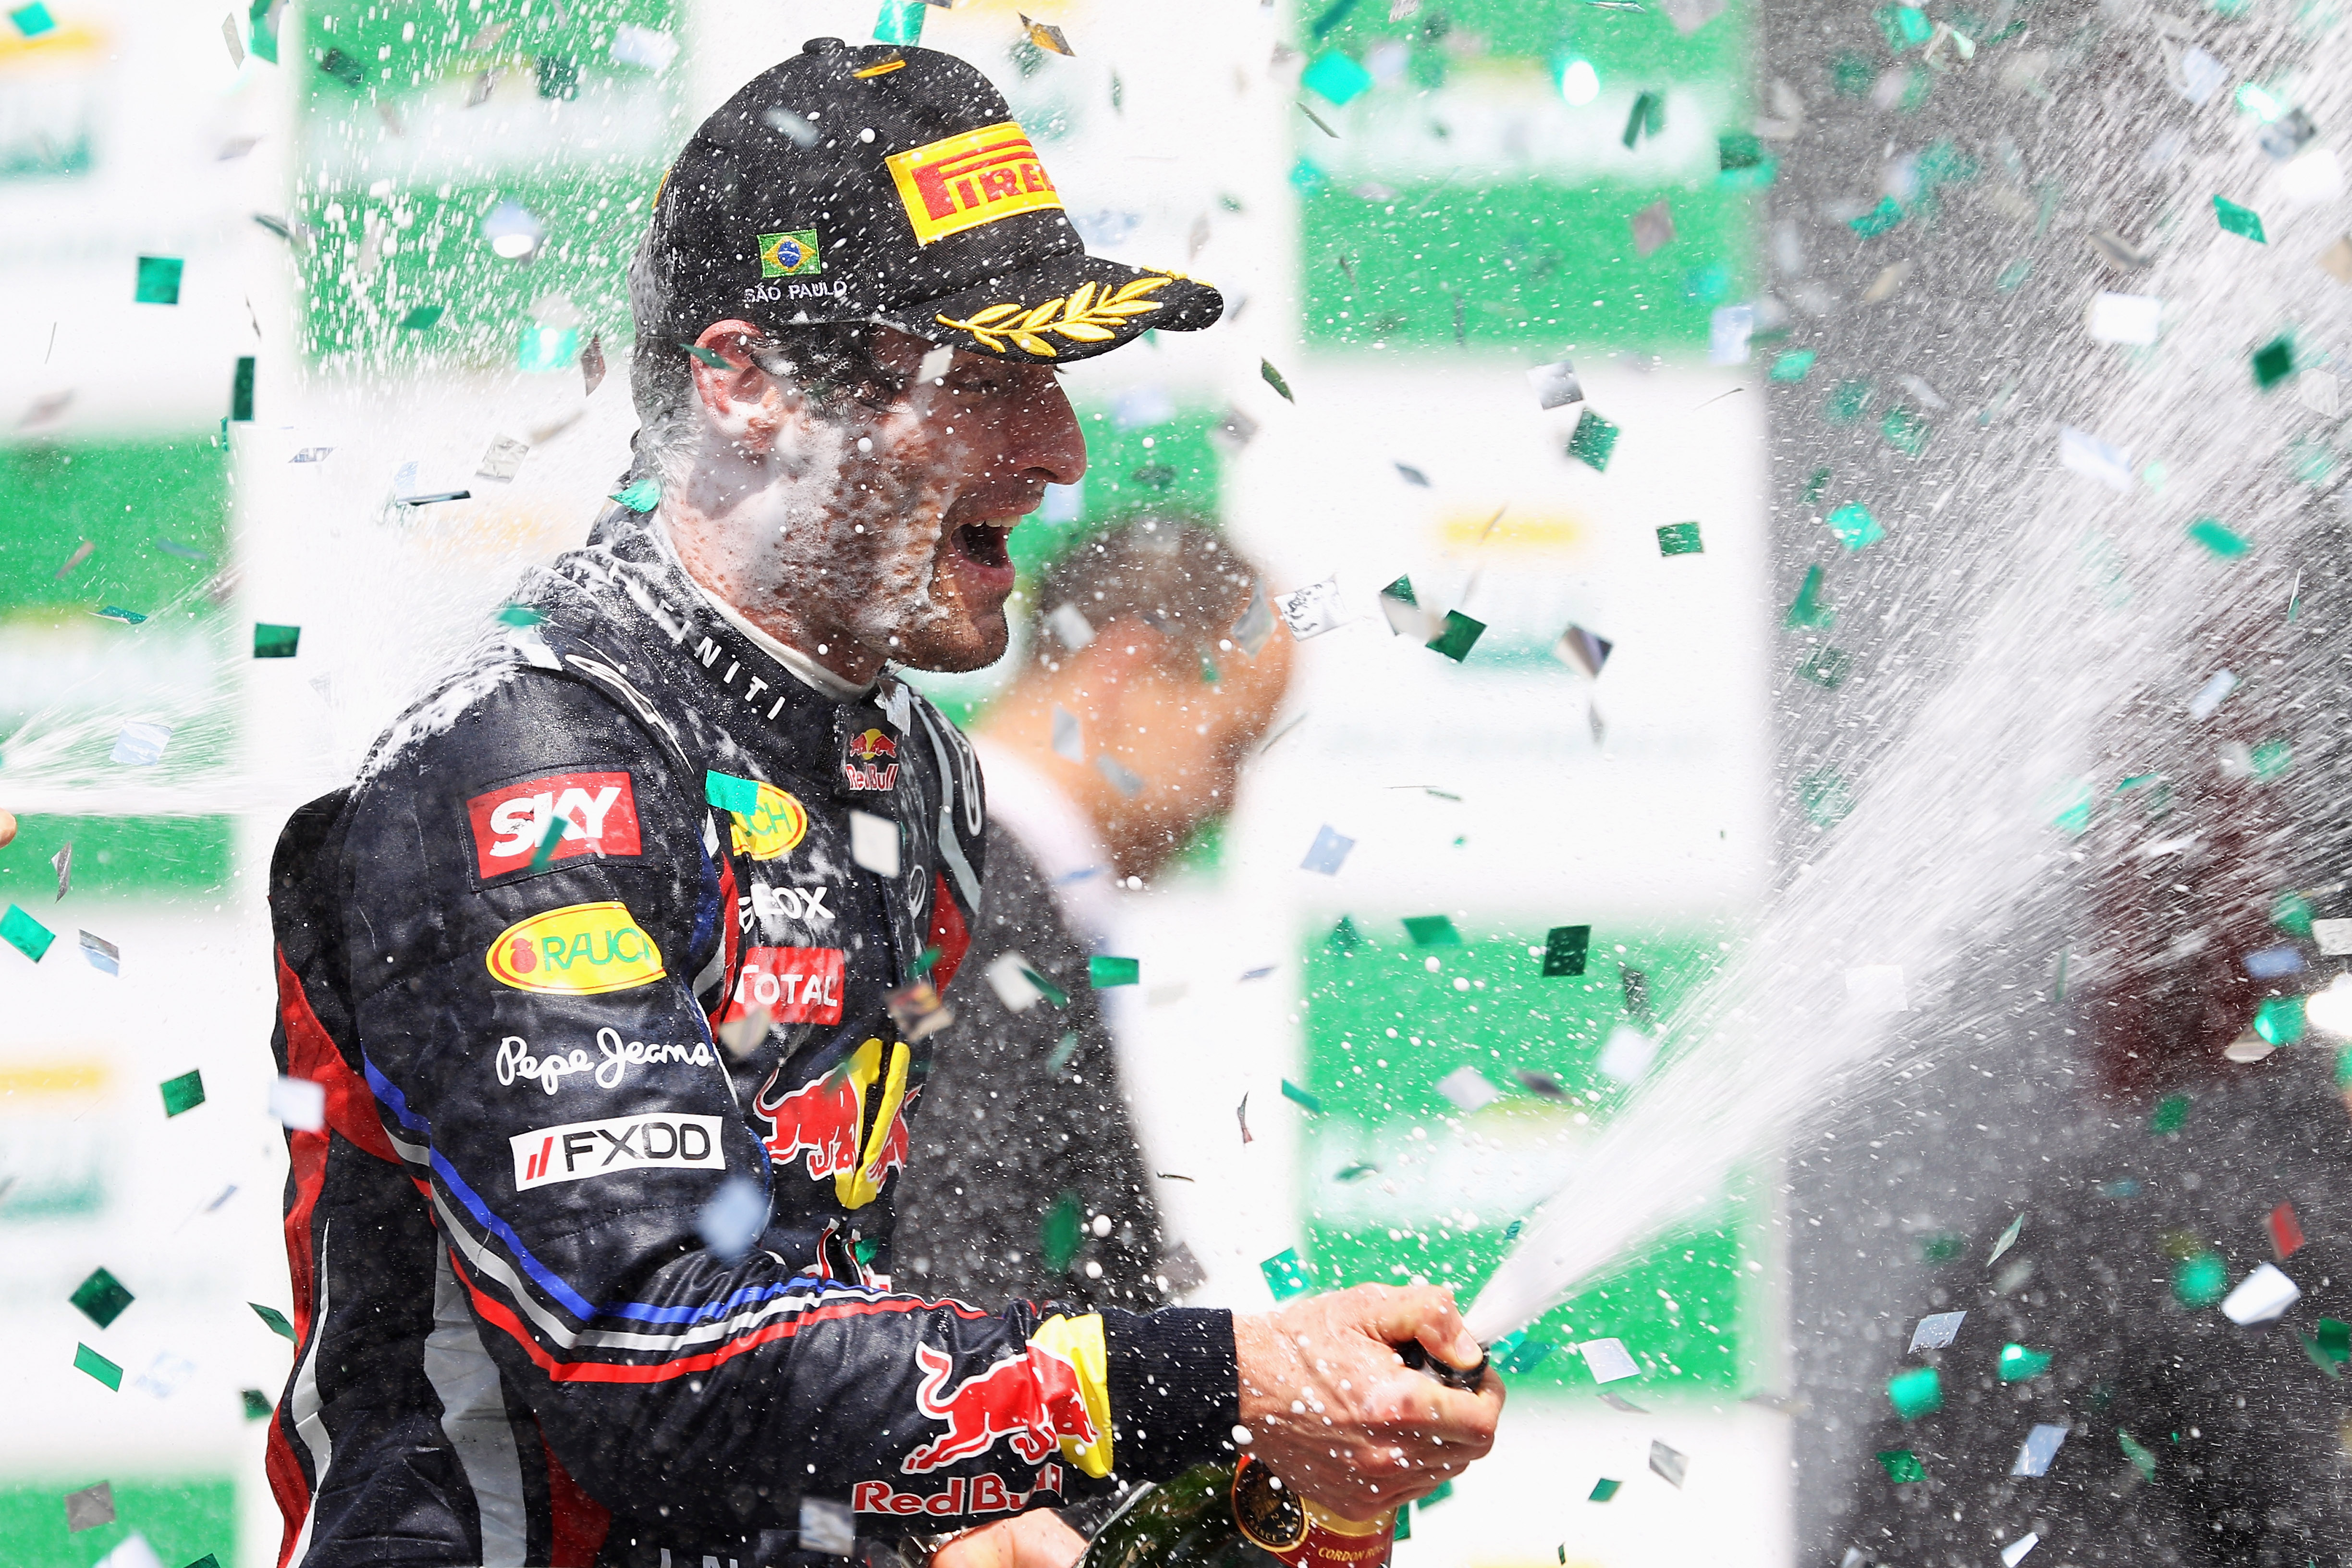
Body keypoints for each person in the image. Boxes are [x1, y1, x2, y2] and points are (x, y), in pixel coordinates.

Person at [263, 39, 1498, 1568]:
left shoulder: (910, 774)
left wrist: (1289, 1482)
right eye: (982, 378)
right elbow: (652, 1358)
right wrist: (1222, 1374)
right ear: (744, 384)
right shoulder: (529, 757)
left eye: (1055, 378)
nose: (1059, 453)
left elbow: (902, 1393)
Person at [894, 519, 1294, 1312]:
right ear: (1125, 671)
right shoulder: (973, 900)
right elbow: (961, 1311)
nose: (1229, 801)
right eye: (1231, 745)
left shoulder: (953, 866)